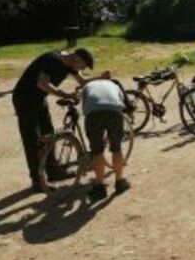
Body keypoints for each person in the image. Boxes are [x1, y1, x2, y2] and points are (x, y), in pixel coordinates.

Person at [12, 48, 105, 191]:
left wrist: (101, 78)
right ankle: (37, 181)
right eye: (82, 66)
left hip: (39, 98)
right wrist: (65, 95)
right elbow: (42, 83)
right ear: (77, 58)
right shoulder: (52, 59)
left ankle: (53, 171)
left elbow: (82, 81)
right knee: (32, 140)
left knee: (49, 134)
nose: (81, 69)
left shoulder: (70, 64)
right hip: (24, 98)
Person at [82, 79, 131, 202]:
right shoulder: (115, 85)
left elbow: (84, 108)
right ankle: (119, 182)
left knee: (97, 151)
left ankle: (99, 187)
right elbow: (122, 104)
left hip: (93, 114)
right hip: (114, 112)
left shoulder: (88, 85)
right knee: (116, 148)